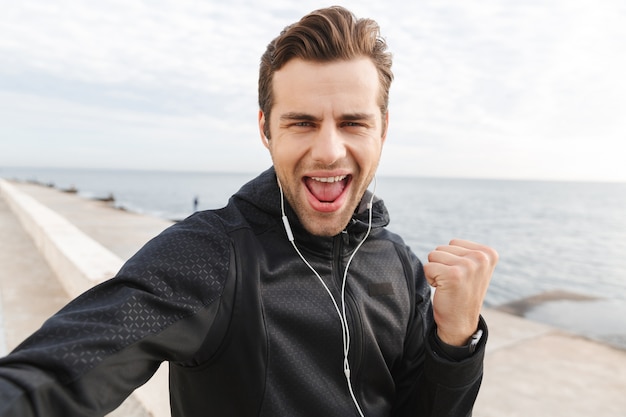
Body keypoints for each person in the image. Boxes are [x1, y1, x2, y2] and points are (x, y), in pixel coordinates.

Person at [0, 6, 498, 417]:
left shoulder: (399, 264)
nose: (328, 150)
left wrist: (455, 341)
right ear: (266, 130)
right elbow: (53, 375)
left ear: (382, 130)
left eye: (353, 122)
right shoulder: (212, 256)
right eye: (302, 122)